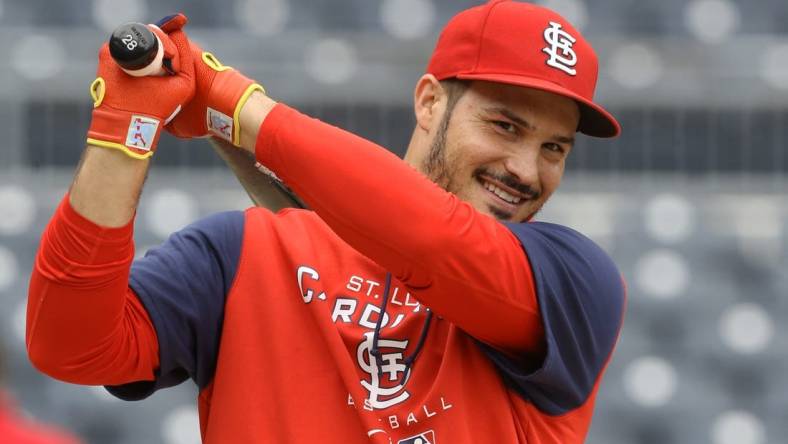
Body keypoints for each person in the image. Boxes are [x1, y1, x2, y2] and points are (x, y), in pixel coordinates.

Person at [26, 1, 626, 442]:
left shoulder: (574, 282)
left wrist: (233, 103)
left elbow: (433, 238)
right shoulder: (244, 252)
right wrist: (124, 125)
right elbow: (69, 347)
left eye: (555, 148)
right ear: (429, 102)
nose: (526, 169)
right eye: (505, 126)